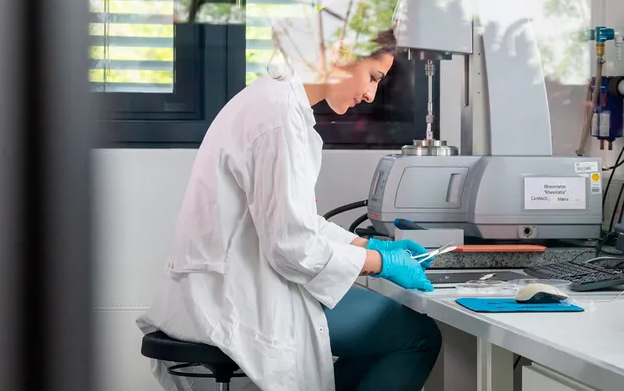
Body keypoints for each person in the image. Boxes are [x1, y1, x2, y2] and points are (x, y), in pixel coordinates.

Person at [136, 27, 442, 391]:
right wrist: (382, 264)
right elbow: (292, 246)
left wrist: (369, 247)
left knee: (390, 335)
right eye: (372, 77)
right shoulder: (278, 116)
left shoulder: (276, 102)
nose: (370, 93)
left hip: (234, 283)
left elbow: (294, 221)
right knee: (418, 337)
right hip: (238, 298)